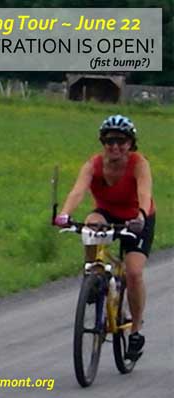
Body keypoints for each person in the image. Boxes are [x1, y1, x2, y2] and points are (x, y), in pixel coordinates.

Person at [54, 114, 155, 361]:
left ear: (131, 143)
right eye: (109, 141)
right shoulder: (94, 165)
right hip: (107, 212)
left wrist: (141, 216)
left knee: (133, 272)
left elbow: (144, 193)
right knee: (90, 225)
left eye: (121, 141)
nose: (115, 147)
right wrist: (65, 214)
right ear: (103, 143)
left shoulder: (139, 164)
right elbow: (78, 191)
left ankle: (136, 330)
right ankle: (94, 275)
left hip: (137, 217)